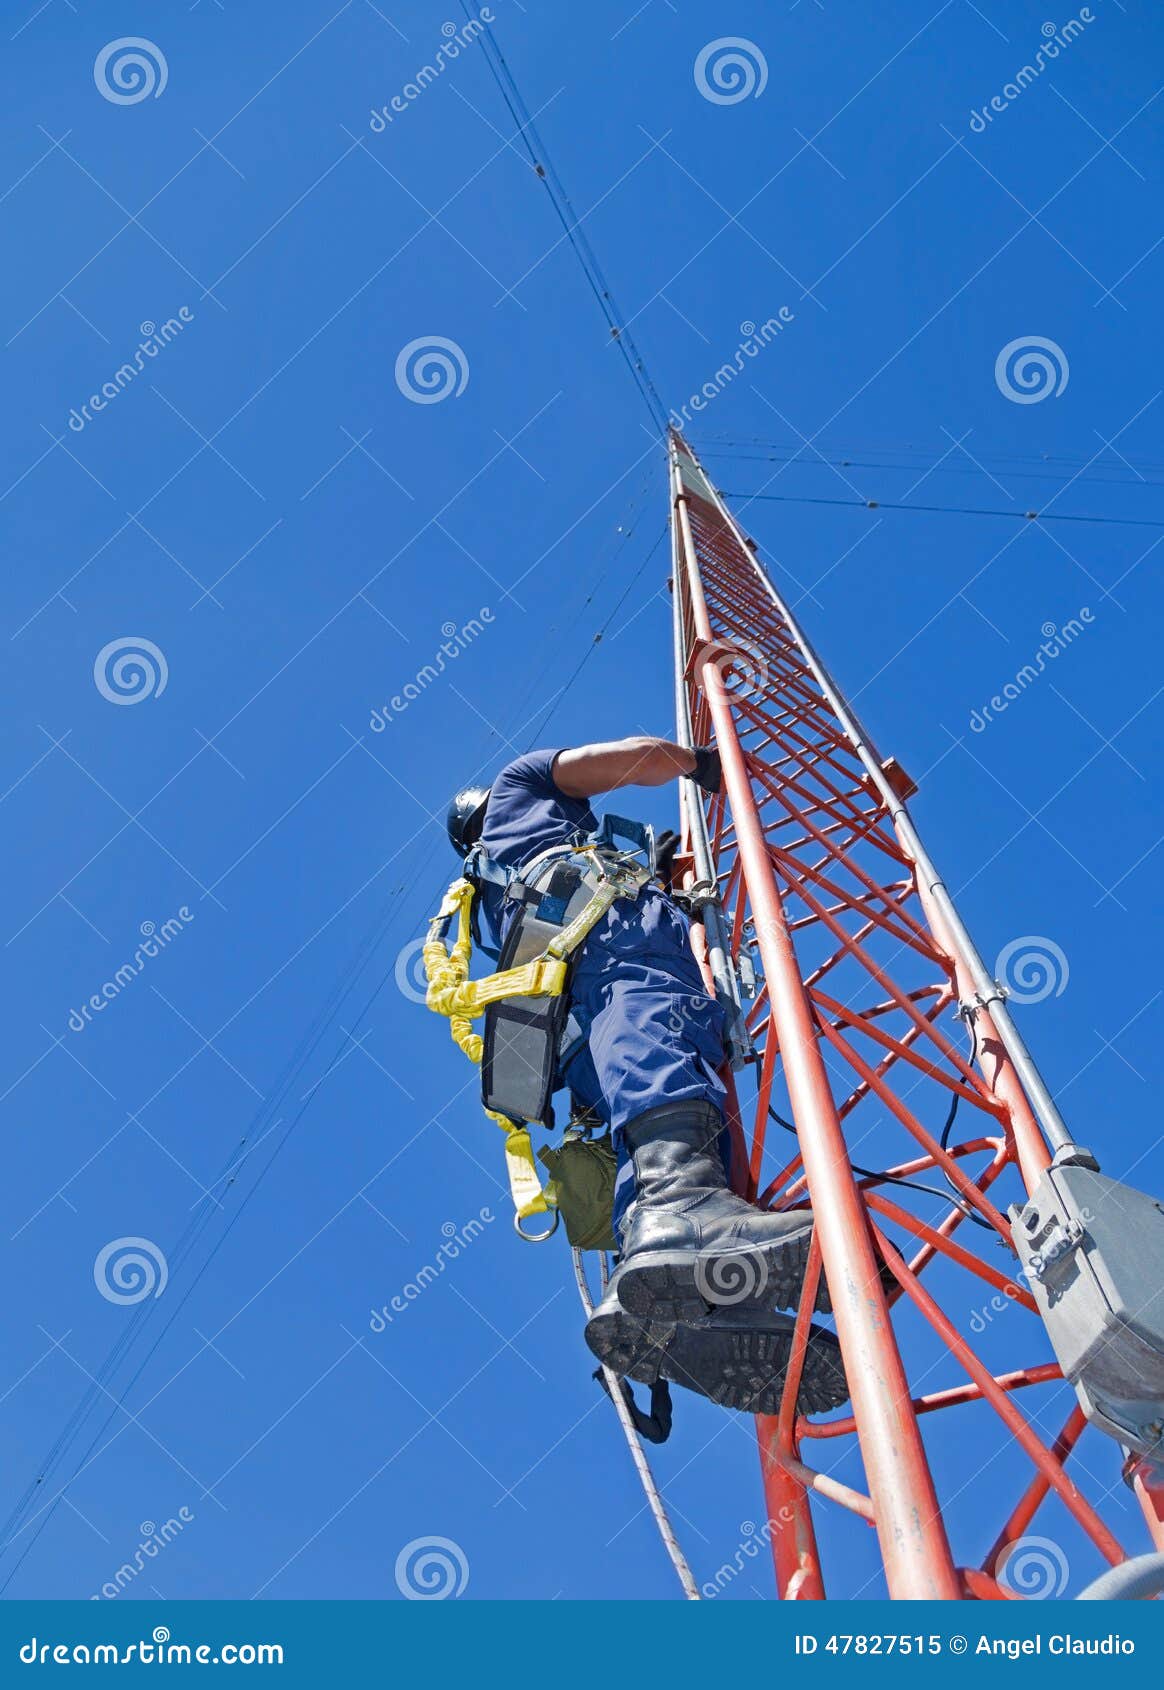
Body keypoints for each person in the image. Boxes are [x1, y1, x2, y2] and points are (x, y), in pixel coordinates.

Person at [446, 737, 847, 1415]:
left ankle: (669, 1299)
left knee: (650, 1110)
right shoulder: (522, 787)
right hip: (611, 950)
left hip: (558, 1026)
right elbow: (634, 756)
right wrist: (694, 762)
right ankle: (683, 1212)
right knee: (658, 1037)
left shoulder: (490, 897)